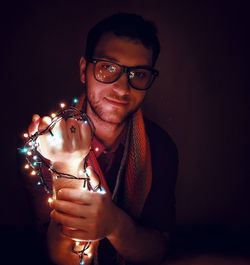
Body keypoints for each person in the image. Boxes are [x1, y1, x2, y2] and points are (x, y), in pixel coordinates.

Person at [25, 12, 178, 265]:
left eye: (138, 74)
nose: (122, 88)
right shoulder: (45, 142)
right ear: (85, 70)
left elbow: (157, 250)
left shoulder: (160, 146)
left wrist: (114, 223)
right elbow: (59, 258)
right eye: (108, 68)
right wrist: (66, 165)